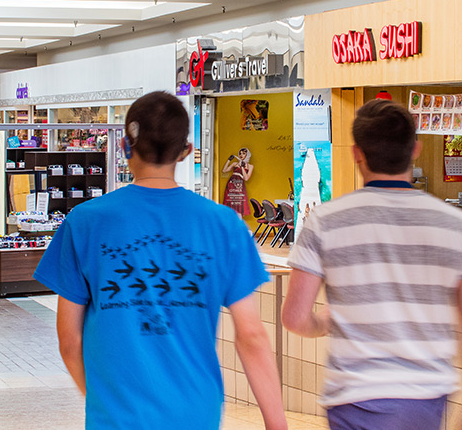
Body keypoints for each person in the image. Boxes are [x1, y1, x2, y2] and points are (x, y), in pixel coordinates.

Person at [34, 92, 285, 430]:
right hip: (196, 413)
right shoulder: (224, 225)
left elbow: (69, 338)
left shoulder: (84, 222)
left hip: (116, 416)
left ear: (125, 146)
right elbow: (251, 334)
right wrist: (276, 423)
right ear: (186, 151)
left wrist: (102, 399)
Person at [282, 99, 462, 430]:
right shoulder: (456, 224)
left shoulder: (325, 221)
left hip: (350, 399)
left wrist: (323, 322)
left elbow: (294, 318)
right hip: (425, 397)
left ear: (356, 153)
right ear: (416, 150)